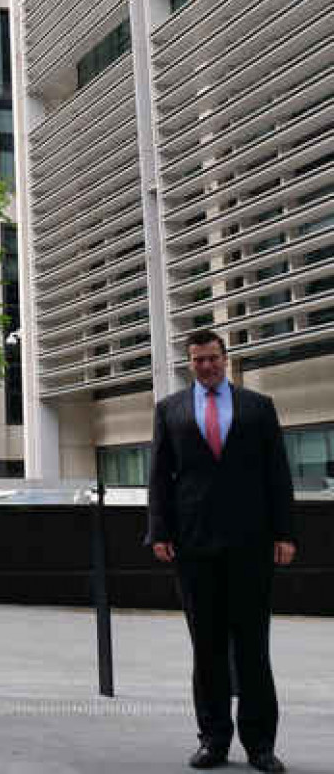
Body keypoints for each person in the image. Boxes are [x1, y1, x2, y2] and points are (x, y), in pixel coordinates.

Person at [148, 329, 296, 774]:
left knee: (253, 647)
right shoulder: (169, 410)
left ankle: (261, 746)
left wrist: (284, 534)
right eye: (198, 360)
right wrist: (159, 532)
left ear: (225, 359)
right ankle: (213, 740)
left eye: (212, 358)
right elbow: (159, 477)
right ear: (189, 363)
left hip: (251, 545)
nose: (206, 366)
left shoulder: (258, 407)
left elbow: (277, 474)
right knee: (206, 648)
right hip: (193, 546)